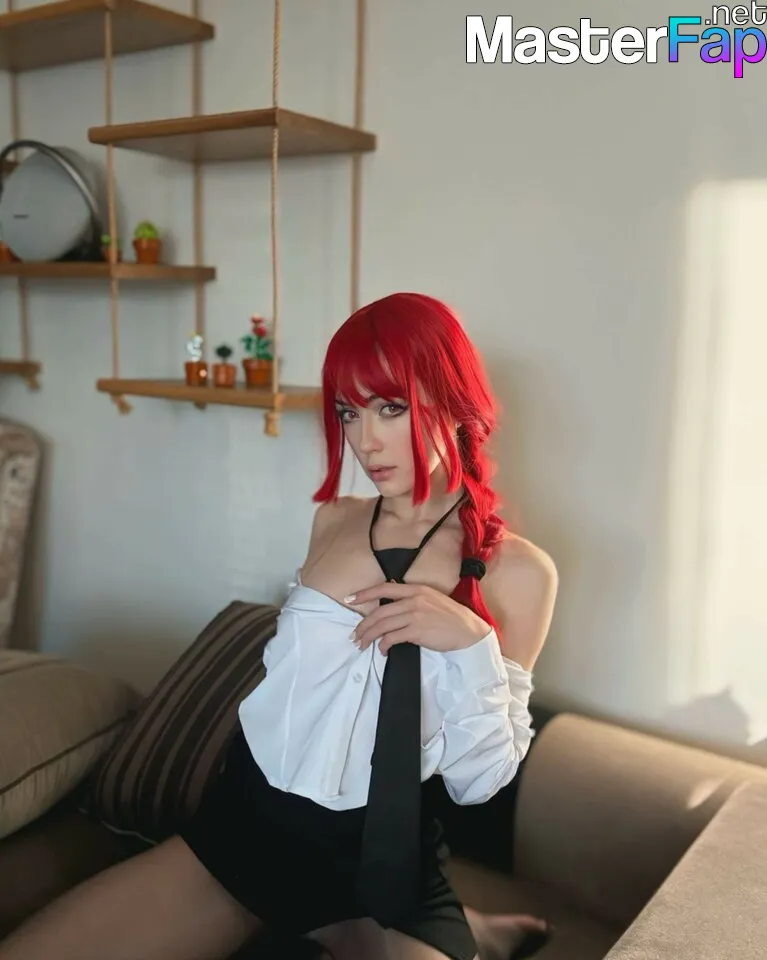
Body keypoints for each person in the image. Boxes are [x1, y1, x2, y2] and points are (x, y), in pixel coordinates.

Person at [0, 292, 559, 960]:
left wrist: (469, 643)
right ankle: (378, 926)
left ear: (453, 398)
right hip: (245, 835)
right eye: (348, 412)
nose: (365, 440)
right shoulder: (333, 521)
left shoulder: (519, 574)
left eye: (390, 407)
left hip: (385, 867)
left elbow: (479, 784)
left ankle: (462, 930)